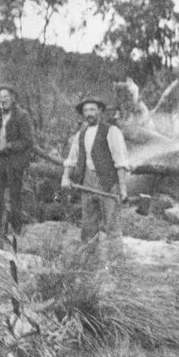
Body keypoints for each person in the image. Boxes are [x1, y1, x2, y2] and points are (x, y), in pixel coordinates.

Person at [60, 94, 130, 259]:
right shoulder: (81, 134)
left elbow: (120, 161)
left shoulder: (112, 131)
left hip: (107, 182)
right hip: (87, 182)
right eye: (85, 110)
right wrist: (65, 177)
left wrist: (122, 187)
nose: (89, 113)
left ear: (100, 111)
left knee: (112, 225)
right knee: (88, 225)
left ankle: (116, 262)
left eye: (92, 109)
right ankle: (89, 261)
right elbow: (71, 158)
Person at [0, 84, 34, 237]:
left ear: (12, 98)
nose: (3, 100)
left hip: (14, 161)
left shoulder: (22, 115)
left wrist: (9, 146)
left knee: (15, 195)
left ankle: (17, 230)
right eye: (0, 97)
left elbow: (27, 141)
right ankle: (1, 229)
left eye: (6, 97)